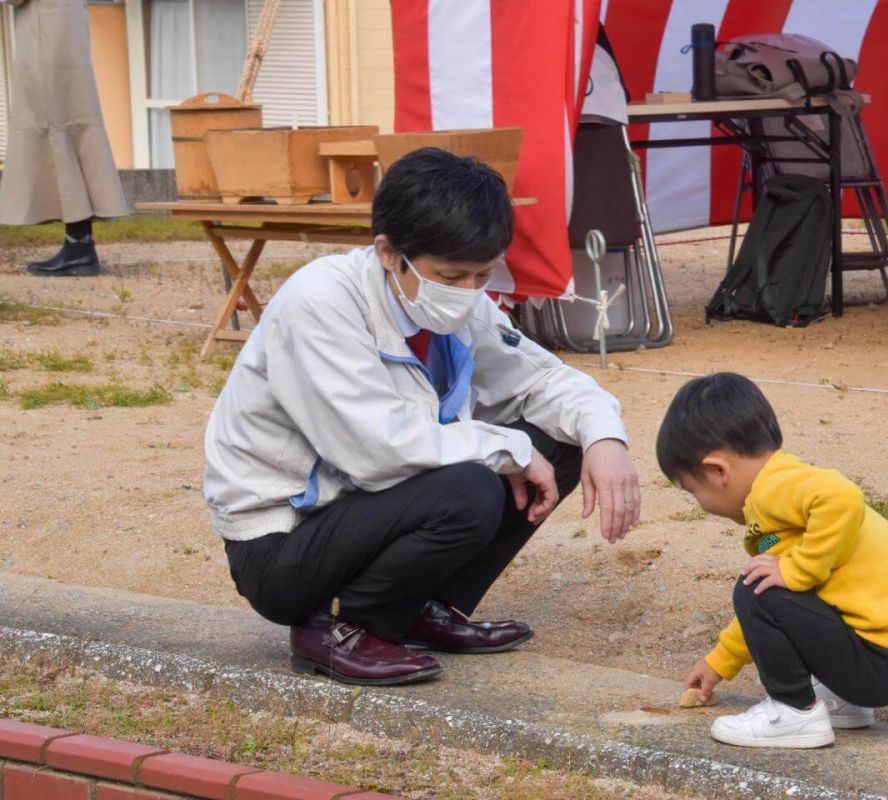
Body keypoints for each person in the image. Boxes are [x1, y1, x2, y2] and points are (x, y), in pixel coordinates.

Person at [204, 148, 641, 686]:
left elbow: (541, 380)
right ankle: (338, 627)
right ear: (388, 252)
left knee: (563, 439)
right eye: (451, 275)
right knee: (471, 488)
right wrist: (510, 449)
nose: (467, 293)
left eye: (482, 275)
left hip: (367, 511)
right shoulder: (320, 302)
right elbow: (376, 451)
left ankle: (418, 607)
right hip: (285, 542)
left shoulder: (455, 304)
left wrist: (605, 438)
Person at [656, 373, 888, 748]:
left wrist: (797, 569)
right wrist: (720, 662)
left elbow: (842, 496)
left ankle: (793, 713)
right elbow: (783, 610)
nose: (699, 503)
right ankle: (843, 704)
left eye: (693, 490)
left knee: (755, 586)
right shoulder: (783, 491)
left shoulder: (773, 487)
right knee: (770, 585)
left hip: (885, 660)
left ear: (719, 471)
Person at [0, 0, 129, 276]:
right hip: (62, 28)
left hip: (46, 34)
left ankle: (79, 247)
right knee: (71, 127)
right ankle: (79, 243)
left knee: (56, 131)